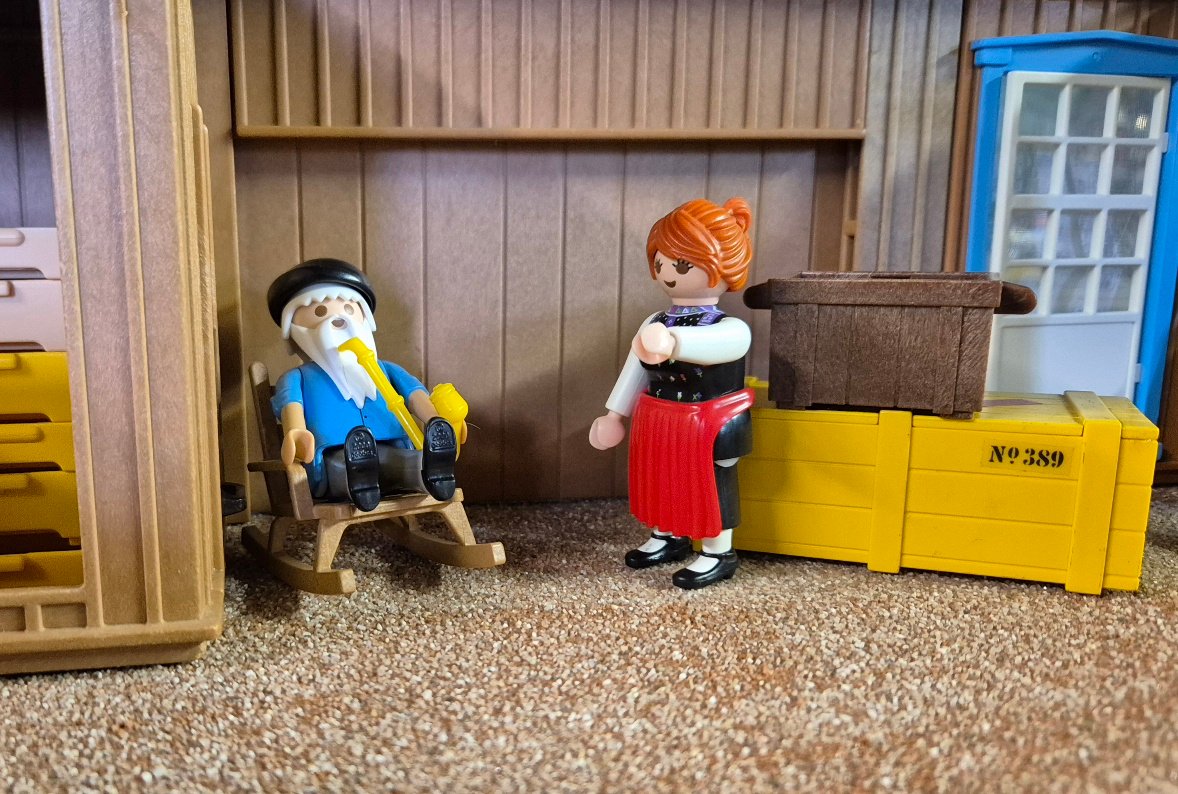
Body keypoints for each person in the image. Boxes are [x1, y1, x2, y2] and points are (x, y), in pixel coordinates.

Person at [589, 198, 755, 590]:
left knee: (710, 485)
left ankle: (718, 552)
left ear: (724, 266)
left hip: (710, 421)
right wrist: (614, 414)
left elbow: (717, 346)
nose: (667, 274)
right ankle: (668, 534)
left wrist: (674, 341)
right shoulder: (655, 321)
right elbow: (635, 369)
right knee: (661, 477)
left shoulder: (730, 328)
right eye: (661, 263)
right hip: (661, 417)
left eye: (682, 265)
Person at [267, 258, 458, 511]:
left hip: (389, 445)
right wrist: (296, 432)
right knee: (343, 465)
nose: (338, 321)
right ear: (294, 332)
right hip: (332, 455)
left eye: (348, 309)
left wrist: (435, 420)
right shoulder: (297, 378)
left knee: (401, 460)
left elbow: (414, 394)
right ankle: (359, 482)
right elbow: (291, 406)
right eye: (320, 312)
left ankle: (430, 472)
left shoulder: (385, 370)